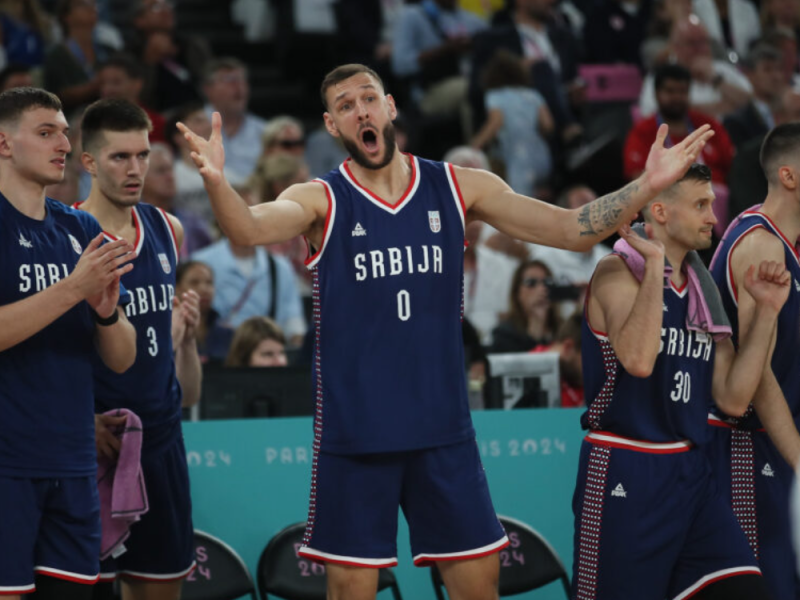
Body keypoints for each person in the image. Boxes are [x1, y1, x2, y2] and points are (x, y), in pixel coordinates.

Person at [177, 63, 714, 600]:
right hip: (357, 432)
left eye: (368, 98)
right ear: (332, 125)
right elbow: (247, 227)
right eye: (345, 105)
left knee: (480, 586)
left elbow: (570, 230)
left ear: (390, 107)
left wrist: (648, 186)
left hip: (442, 429)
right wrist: (218, 182)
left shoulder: (458, 185)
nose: (360, 110)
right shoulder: (321, 197)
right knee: (350, 592)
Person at [572, 163, 788, 600]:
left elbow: (732, 398)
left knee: (746, 591)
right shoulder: (616, 272)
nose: (713, 216)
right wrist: (656, 266)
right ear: (660, 212)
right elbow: (638, 359)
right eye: (701, 205)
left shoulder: (702, 288)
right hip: (626, 465)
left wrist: (766, 312)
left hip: (692, 472)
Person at [0, 86, 136, 599]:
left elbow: (122, 360)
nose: (63, 143)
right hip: (7, 463)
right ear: (3, 143)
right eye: (45, 132)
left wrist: (106, 314)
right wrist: (74, 289)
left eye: (63, 132)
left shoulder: (80, 228)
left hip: (73, 462)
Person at [74, 98, 201, 599]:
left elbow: (178, 369)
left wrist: (185, 340)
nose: (135, 169)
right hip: (94, 444)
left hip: (162, 440)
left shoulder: (169, 229)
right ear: (88, 161)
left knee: (161, 588)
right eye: (119, 157)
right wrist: (78, 420)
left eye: (143, 155)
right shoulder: (65, 235)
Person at [706, 123, 800, 600]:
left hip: (778, 441)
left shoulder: (786, 242)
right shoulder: (762, 245)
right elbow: (756, 372)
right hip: (751, 445)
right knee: (768, 587)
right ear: (789, 176)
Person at [490, 259, 561, 354]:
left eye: (547, 282)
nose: (541, 289)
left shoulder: (562, 329)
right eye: (531, 283)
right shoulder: (504, 334)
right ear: (517, 292)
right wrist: (536, 325)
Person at [175, 259, 233, 363]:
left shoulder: (227, 335)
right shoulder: (168, 333)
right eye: (194, 282)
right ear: (177, 288)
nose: (204, 289)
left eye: (209, 282)